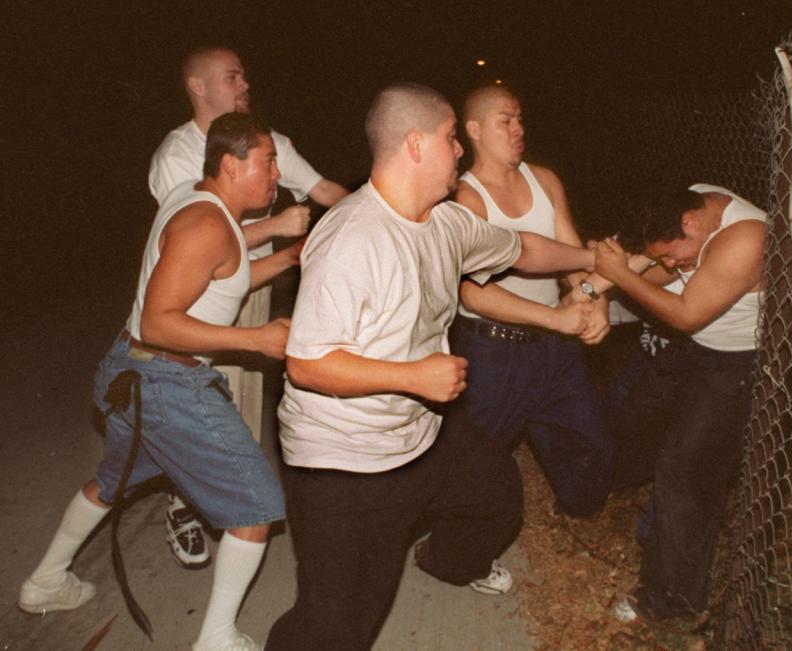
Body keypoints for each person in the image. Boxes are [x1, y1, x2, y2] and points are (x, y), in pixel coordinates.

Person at [265, 83, 596, 651]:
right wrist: (412, 377)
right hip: (344, 462)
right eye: (451, 139)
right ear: (416, 145)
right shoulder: (353, 238)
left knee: (495, 494)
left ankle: (446, 561)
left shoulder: (444, 224)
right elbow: (307, 363)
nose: (460, 151)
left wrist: (592, 257)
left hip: (420, 432)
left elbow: (524, 250)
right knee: (337, 624)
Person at [18, 113, 298, 651]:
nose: (276, 174)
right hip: (168, 380)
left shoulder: (198, 202)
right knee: (257, 504)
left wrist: (286, 257)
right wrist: (257, 339)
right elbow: (160, 321)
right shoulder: (208, 225)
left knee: (112, 481)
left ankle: (45, 581)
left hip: (133, 372)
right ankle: (216, 638)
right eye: (267, 161)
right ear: (231, 164)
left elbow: (220, 278)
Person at [148, 46, 348, 569]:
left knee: (234, 404)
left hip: (252, 285)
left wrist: (381, 213)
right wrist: (280, 228)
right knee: (188, 400)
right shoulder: (177, 154)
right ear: (197, 85)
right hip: (197, 289)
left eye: (245, 75)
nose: (245, 85)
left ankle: (225, 499)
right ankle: (184, 501)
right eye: (232, 76)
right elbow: (192, 239)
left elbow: (323, 188)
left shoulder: (267, 141)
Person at [590, 183, 766, 620]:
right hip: (692, 349)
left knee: (686, 473)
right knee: (635, 418)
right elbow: (667, 276)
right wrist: (609, 275)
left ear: (690, 224)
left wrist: (621, 275)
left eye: (670, 251)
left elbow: (686, 312)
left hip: (734, 366)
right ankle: (602, 494)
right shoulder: (695, 203)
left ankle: (671, 603)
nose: (670, 261)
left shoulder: (747, 238)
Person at [451, 84, 616, 517]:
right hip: (493, 350)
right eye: (505, 121)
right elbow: (472, 290)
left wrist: (593, 301)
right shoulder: (466, 199)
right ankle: (453, 540)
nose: (519, 129)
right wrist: (554, 317)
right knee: (474, 460)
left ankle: (575, 513)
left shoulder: (544, 180)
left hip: (554, 347)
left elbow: (573, 254)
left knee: (593, 442)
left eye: (520, 119)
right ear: (474, 129)